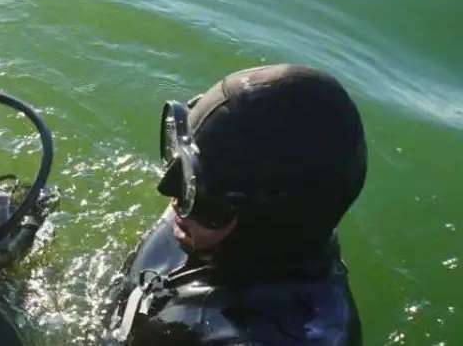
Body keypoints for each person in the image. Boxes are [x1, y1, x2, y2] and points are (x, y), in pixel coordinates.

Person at [105, 64, 367, 345]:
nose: (171, 195)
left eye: (194, 189)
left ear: (258, 226)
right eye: (180, 165)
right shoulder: (212, 233)